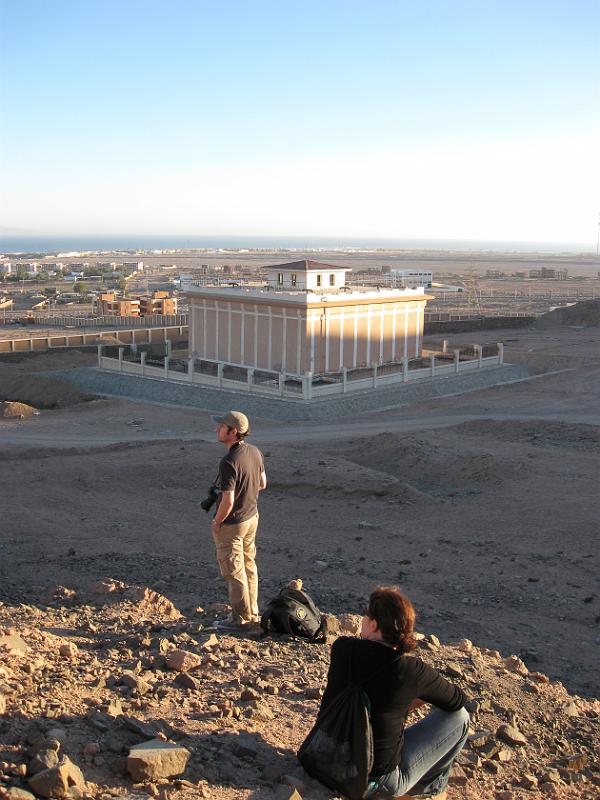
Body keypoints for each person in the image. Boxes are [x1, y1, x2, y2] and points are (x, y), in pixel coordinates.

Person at [318, 586, 469, 800]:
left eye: (366, 613)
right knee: (460, 718)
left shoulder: (342, 648)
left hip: (325, 758)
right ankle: (430, 791)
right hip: (374, 782)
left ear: (373, 624)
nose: (362, 618)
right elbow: (457, 700)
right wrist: (408, 701)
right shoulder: (409, 670)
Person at [210, 410, 266, 631]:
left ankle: (241, 620)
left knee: (234, 570)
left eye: (222, 426)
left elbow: (228, 501)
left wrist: (217, 521)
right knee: (249, 565)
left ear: (233, 432)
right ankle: (252, 612)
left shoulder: (228, 461)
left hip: (233, 523)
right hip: (252, 517)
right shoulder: (254, 451)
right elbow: (262, 483)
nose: (217, 429)